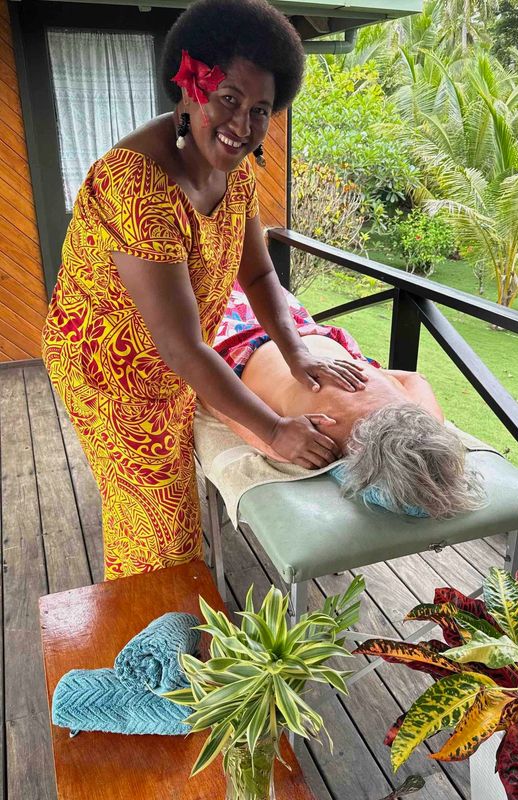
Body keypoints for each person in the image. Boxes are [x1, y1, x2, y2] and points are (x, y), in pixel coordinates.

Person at [41, 0, 367, 580]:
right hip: (107, 368)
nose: (243, 125)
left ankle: (160, 625)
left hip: (172, 358)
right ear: (191, 89)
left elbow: (260, 274)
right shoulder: (137, 184)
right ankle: (152, 646)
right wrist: (272, 431)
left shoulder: (233, 168)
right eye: (230, 100)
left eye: (261, 109)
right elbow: (182, 346)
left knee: (161, 503)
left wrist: (297, 353)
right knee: (157, 522)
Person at [209, 282, 486, 519]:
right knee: (217, 282)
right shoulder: (325, 434)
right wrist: (271, 436)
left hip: (298, 330)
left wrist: (375, 377)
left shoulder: (417, 413)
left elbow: (415, 378)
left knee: (223, 279)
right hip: (248, 340)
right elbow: (215, 400)